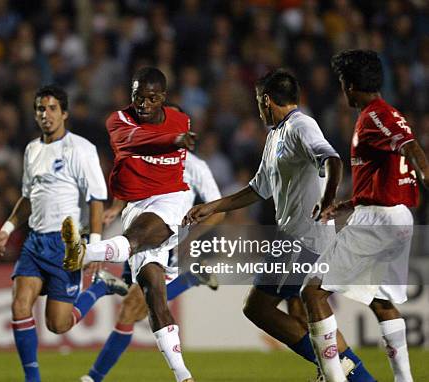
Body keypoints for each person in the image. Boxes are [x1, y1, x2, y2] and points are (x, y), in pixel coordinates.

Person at [183, 69, 375, 381]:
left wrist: (328, 200)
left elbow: (332, 160)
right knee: (291, 312)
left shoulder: (302, 125)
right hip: (289, 237)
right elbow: (259, 188)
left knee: (261, 308)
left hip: (306, 237)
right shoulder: (275, 136)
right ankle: (345, 370)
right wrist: (213, 206)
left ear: (267, 100)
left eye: (259, 102)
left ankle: (346, 372)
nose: (259, 110)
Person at [62, 67, 197, 382]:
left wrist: (179, 136)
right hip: (135, 206)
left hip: (170, 202)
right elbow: (142, 142)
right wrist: (176, 139)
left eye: (151, 98)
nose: (144, 105)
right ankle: (183, 375)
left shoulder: (183, 121)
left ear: (163, 97)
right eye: (139, 97)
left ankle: (84, 253)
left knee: (134, 239)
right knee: (153, 294)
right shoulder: (118, 121)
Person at [302, 49, 429, 382]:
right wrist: (344, 204)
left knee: (312, 292)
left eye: (343, 83)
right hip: (397, 216)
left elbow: (413, 149)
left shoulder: (375, 115)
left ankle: (333, 377)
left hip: (379, 220)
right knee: (381, 300)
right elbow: (381, 175)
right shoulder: (388, 114)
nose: (342, 91)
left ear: (350, 85)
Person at [0, 85, 128, 382]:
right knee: (19, 305)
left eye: (52, 108)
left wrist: (92, 249)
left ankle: (99, 288)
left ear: (64, 113)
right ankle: (32, 379)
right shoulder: (32, 150)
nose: (46, 114)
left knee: (58, 325)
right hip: (35, 241)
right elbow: (27, 198)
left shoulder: (80, 149)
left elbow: (95, 199)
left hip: (66, 246)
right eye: (41, 108)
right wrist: (7, 228)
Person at [80, 149, 221, 382]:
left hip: (169, 236)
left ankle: (94, 377)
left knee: (134, 307)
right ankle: (191, 278)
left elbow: (216, 208)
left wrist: (192, 237)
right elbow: (127, 186)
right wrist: (116, 208)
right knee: (133, 305)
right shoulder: (146, 155)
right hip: (139, 228)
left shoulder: (196, 166)